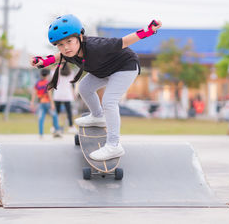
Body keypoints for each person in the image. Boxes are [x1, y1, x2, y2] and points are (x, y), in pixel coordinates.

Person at [31, 14, 162, 161]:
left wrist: (149, 30)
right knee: (84, 87)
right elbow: (58, 57)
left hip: (125, 66)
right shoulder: (69, 52)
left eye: (69, 41)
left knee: (109, 101)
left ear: (80, 37)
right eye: (61, 44)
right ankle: (98, 117)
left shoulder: (97, 46)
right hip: (104, 70)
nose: (66, 47)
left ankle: (114, 145)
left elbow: (124, 41)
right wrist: (43, 61)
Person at [30, 68, 62, 138]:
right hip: (48, 103)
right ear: (48, 75)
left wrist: (32, 103)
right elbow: (49, 94)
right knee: (55, 116)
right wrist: (52, 104)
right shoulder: (48, 83)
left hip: (41, 103)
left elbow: (34, 93)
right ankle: (57, 131)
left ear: (41, 75)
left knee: (41, 118)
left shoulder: (37, 83)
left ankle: (41, 134)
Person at [52, 63, 78, 134]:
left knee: (57, 112)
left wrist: (55, 68)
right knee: (69, 112)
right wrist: (73, 94)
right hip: (67, 94)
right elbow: (73, 84)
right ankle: (71, 126)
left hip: (58, 94)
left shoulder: (57, 72)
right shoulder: (71, 73)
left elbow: (52, 78)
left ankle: (54, 127)